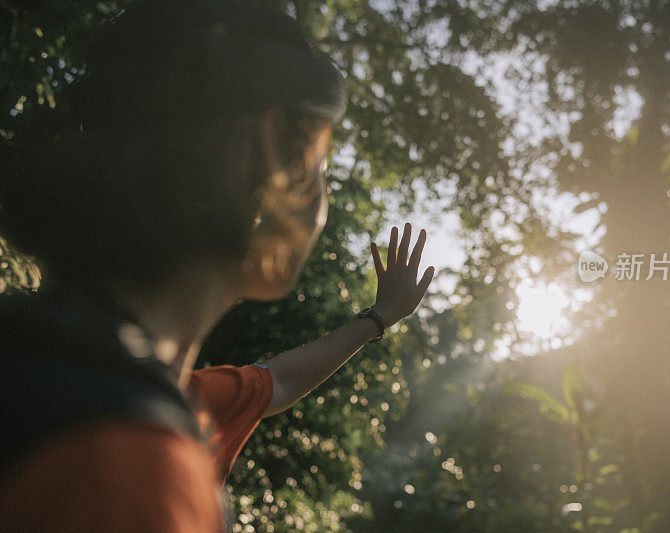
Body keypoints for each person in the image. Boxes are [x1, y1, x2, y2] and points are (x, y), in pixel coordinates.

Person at [0, 0, 434, 530]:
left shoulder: (109, 372)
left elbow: (278, 381)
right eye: (320, 169)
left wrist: (380, 316)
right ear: (272, 157)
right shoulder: (124, 469)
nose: (321, 197)